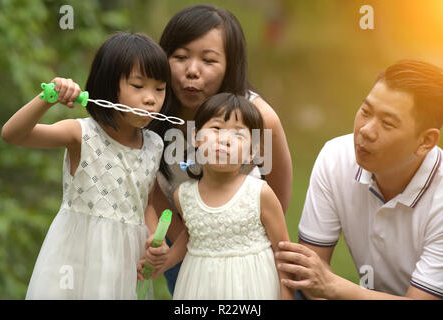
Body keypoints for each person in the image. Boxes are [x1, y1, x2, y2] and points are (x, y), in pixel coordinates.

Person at [1, 32, 170, 299]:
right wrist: (48, 98)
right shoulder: (81, 134)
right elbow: (13, 134)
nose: (151, 98)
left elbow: (146, 202)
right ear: (108, 85)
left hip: (125, 265)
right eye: (138, 86)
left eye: (159, 89)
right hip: (76, 259)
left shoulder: (155, 145)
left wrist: (154, 238)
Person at [148, 4, 293, 296]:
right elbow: (149, 189)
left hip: (247, 257)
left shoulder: (259, 119)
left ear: (230, 65)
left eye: (209, 60)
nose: (192, 71)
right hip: (185, 250)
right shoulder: (149, 112)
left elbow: (277, 199)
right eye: (179, 57)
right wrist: (192, 245)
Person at [276, 59, 443, 299]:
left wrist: (335, 287)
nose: (365, 130)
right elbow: (311, 277)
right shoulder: (336, 158)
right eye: (365, 112)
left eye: (387, 123)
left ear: (425, 141)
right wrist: (325, 286)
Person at [141, 93, 293, 299]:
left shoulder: (259, 193)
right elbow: (193, 236)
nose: (225, 139)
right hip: (201, 285)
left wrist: (287, 295)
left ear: (253, 151)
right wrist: (163, 263)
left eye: (239, 135)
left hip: (251, 286)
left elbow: (283, 251)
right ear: (195, 137)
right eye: (216, 128)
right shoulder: (183, 196)